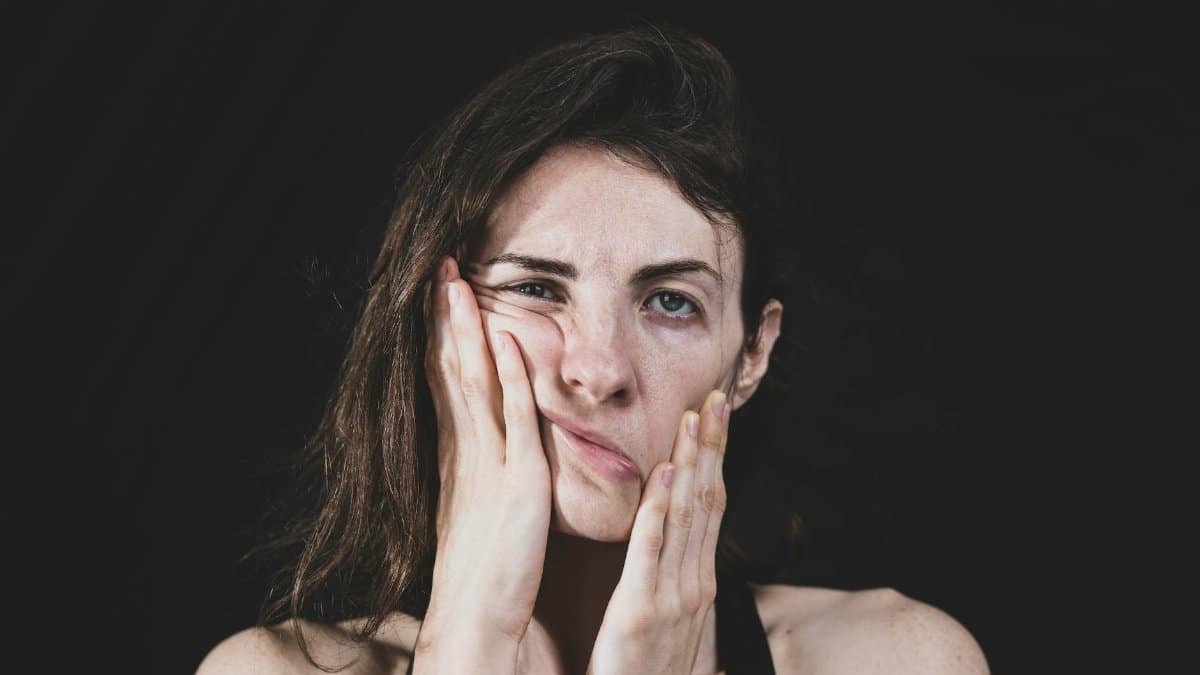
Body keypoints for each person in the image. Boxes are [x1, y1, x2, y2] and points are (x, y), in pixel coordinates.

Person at [197, 23, 989, 674]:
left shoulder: (896, 658)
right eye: (538, 287)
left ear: (750, 355)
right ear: (443, 316)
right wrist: (464, 649)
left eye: (671, 302)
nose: (599, 369)